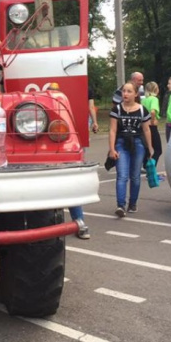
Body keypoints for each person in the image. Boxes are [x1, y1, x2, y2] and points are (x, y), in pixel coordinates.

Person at [108, 80, 155, 217]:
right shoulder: (116, 109)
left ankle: (132, 203)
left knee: (135, 176)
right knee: (122, 175)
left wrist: (150, 148)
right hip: (121, 143)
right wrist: (112, 149)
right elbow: (112, 130)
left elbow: (146, 130)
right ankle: (120, 205)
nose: (125, 94)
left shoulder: (141, 109)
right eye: (124, 91)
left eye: (129, 91)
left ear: (135, 94)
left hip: (138, 144)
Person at [68, 84, 99, 239]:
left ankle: (79, 220)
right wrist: (94, 122)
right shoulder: (84, 85)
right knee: (73, 175)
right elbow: (90, 107)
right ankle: (79, 221)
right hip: (76, 133)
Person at [141, 81, 162, 166]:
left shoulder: (144, 100)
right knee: (158, 149)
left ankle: (145, 164)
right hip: (152, 126)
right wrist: (152, 120)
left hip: (144, 125)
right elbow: (153, 111)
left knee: (147, 147)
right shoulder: (154, 99)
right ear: (155, 89)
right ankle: (151, 166)